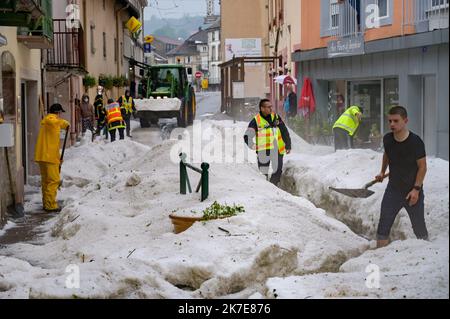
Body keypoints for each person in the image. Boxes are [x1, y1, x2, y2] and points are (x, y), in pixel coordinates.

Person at [375, 106, 428, 249]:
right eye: (390, 121)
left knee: (419, 227)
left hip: (412, 190)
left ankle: (427, 254)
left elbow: (422, 167)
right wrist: (382, 171)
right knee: (384, 224)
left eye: (396, 121)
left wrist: (416, 189)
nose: (392, 124)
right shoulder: (388, 139)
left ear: (405, 121)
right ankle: (380, 257)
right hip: (393, 189)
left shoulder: (415, 142)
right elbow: (387, 154)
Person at [244, 99, 292, 186]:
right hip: (263, 151)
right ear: (262, 108)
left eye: (271, 107)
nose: (271, 109)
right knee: (263, 173)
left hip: (277, 149)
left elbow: (284, 131)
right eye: (268, 107)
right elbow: (247, 136)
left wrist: (288, 145)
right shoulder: (256, 121)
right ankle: (265, 189)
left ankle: (273, 186)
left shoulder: (276, 118)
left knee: (277, 170)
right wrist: (252, 145)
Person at [34, 104, 70, 213]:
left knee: (46, 181)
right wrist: (63, 122)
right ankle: (50, 205)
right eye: (60, 113)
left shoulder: (49, 122)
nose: (60, 116)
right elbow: (53, 121)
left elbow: (53, 142)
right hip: (49, 157)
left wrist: (59, 158)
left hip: (44, 156)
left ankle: (46, 203)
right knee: (54, 180)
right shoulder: (50, 119)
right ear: (57, 112)